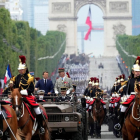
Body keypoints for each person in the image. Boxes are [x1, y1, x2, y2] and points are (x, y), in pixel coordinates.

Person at [12, 55, 45, 134]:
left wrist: (25, 92)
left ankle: (41, 126)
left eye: (22, 69)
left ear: (25, 69)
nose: (20, 71)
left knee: (37, 109)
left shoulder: (30, 77)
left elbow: (31, 89)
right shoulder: (16, 78)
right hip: (18, 97)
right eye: (19, 70)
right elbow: (15, 87)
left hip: (27, 96)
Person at [114, 56, 140, 131]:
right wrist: (127, 97)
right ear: (133, 72)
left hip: (139, 97)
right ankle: (120, 123)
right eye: (136, 71)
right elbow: (127, 91)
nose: (138, 73)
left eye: (139, 71)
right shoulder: (130, 81)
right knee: (123, 108)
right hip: (131, 96)